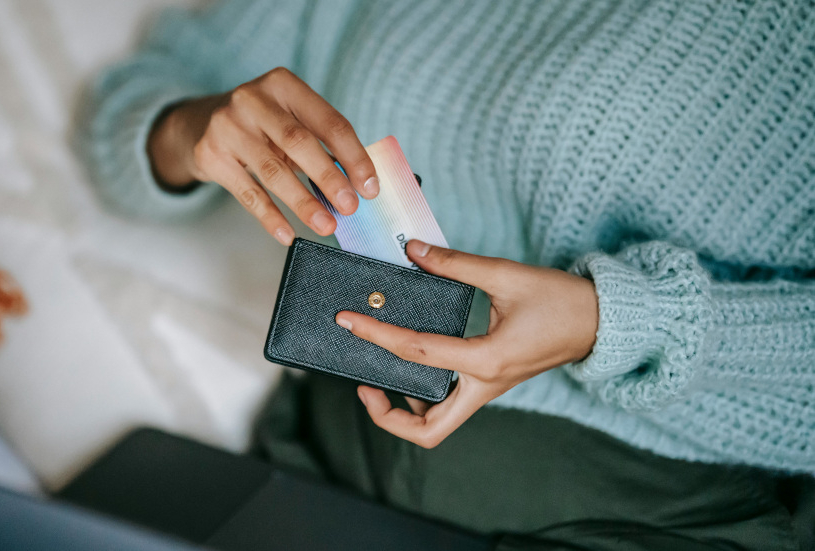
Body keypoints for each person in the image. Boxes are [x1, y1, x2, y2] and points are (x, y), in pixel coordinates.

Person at [76, 0, 815, 547]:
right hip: (326, 463)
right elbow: (134, 105)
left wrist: (616, 320)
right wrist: (193, 127)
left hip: (642, 509)